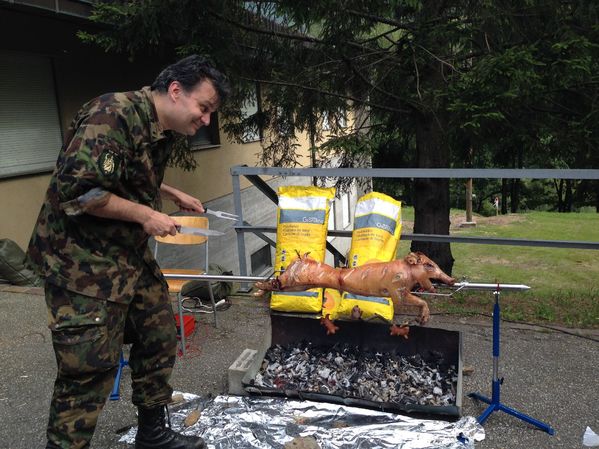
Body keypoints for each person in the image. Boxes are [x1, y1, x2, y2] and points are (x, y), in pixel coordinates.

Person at [26, 55, 230, 449]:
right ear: (175, 90)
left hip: (125, 256)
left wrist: (168, 192)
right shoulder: (112, 114)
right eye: (203, 109)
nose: (206, 120)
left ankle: (152, 433)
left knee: (157, 333)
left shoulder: (161, 127)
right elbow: (80, 191)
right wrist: (147, 214)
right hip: (81, 262)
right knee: (88, 370)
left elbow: (122, 170)